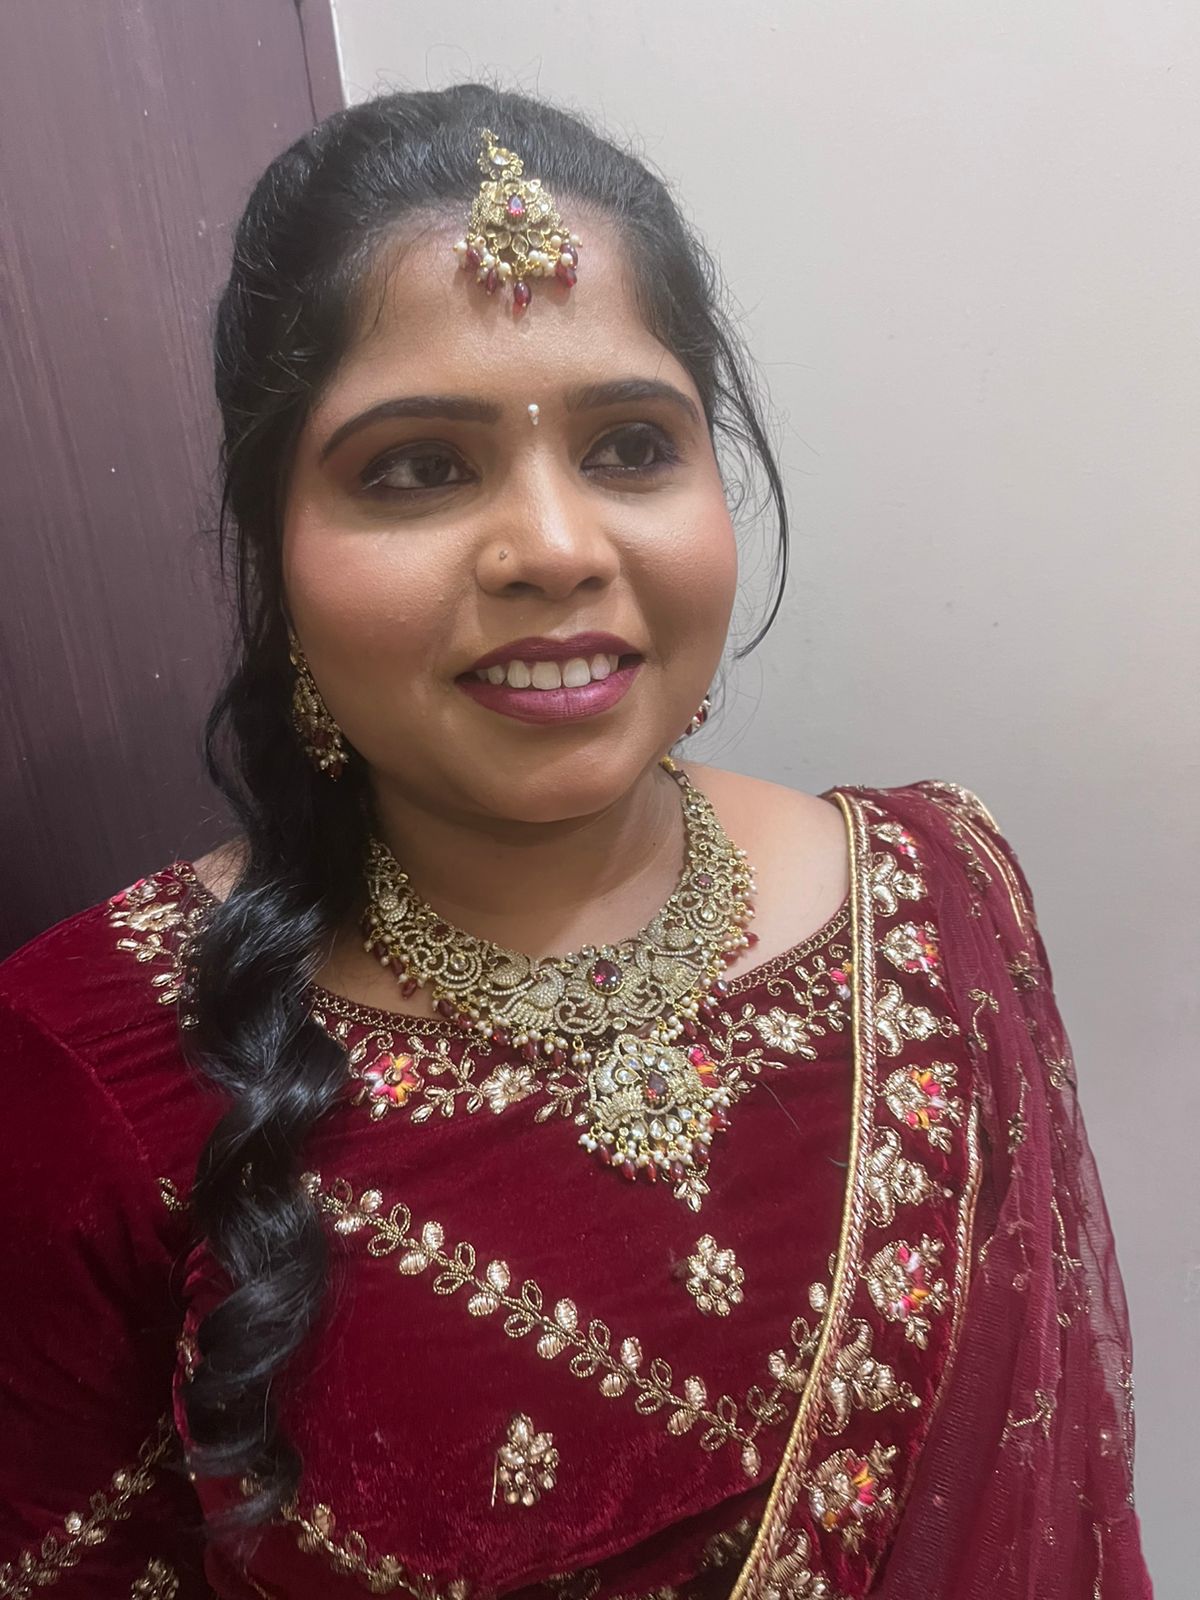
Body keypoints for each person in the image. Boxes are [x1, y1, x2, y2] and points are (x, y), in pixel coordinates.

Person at [0, 85, 1151, 1600]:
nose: (556, 547)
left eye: (629, 445)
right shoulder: (91, 1058)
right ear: (275, 541)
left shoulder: (938, 906)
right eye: (417, 466)